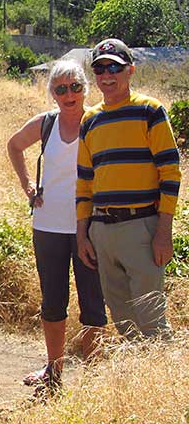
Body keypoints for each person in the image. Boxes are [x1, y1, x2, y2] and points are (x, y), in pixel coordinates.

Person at [7, 60, 107, 395]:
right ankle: (54, 370)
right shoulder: (46, 124)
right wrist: (27, 186)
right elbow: (14, 145)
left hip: (90, 227)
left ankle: (94, 378)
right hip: (48, 226)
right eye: (61, 88)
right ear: (52, 92)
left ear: (85, 88)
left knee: (93, 301)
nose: (68, 94)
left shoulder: (97, 121)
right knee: (53, 301)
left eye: (75, 87)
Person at [76, 38, 181, 340]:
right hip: (103, 231)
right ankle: (137, 374)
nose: (107, 76)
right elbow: (84, 181)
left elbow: (170, 174)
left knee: (152, 320)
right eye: (100, 69)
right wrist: (83, 234)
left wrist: (163, 232)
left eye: (114, 68)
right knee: (122, 319)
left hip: (142, 228)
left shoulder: (150, 111)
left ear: (130, 70)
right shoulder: (90, 119)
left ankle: (161, 381)